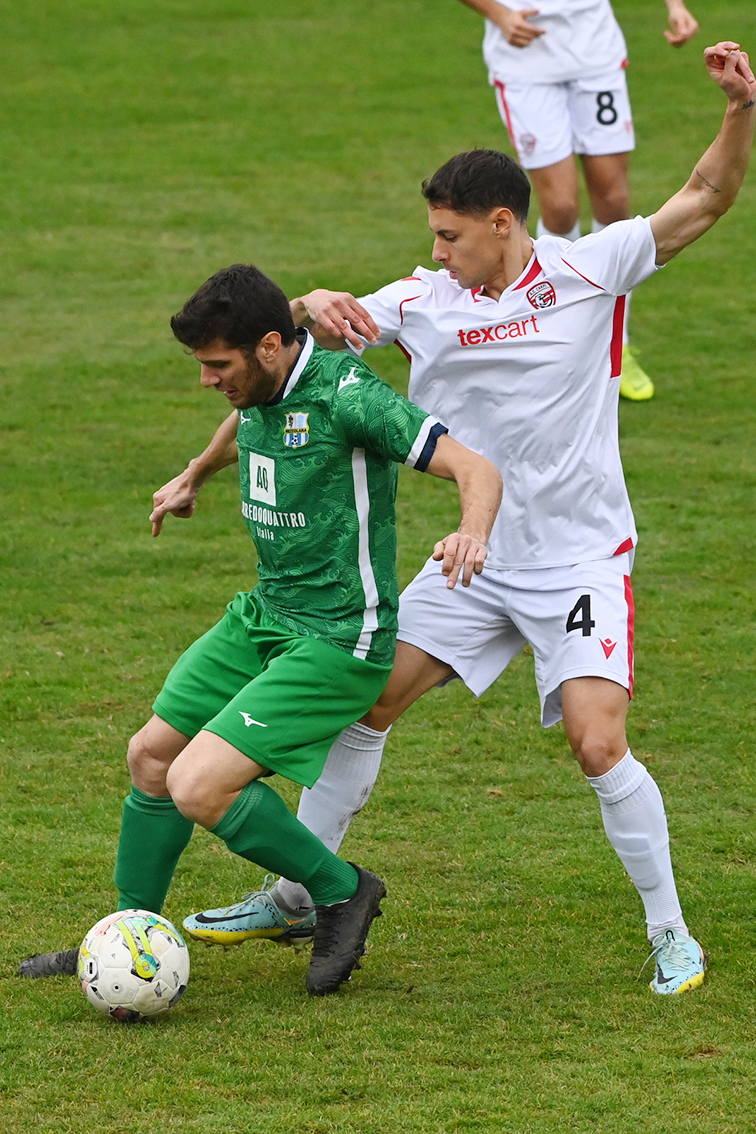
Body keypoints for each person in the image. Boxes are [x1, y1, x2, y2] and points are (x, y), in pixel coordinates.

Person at [177, 43, 753, 996]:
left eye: (449, 236)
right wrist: (310, 301)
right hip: (471, 560)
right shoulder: (420, 300)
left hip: (576, 561)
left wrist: (740, 112)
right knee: (372, 700)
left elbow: (703, 199)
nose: (435, 252)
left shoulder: (590, 269)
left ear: (501, 224)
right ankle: (295, 894)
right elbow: (290, 355)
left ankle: (671, 932)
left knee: (596, 742)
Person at [18, 264, 502, 996]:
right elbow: (243, 421)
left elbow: (476, 467)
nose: (209, 380)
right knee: (151, 757)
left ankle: (342, 891)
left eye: (219, 366)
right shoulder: (262, 385)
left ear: (271, 345)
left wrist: (471, 532)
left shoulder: (348, 396)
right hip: (267, 616)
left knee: (197, 784)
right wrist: (194, 474)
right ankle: (129, 937)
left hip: (340, 637)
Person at [455, 0, 700, 401]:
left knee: (614, 199)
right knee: (561, 205)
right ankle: (553, 336)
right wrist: (499, 15)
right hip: (526, 59)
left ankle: (614, 340)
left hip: (594, 51)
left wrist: (675, 6)